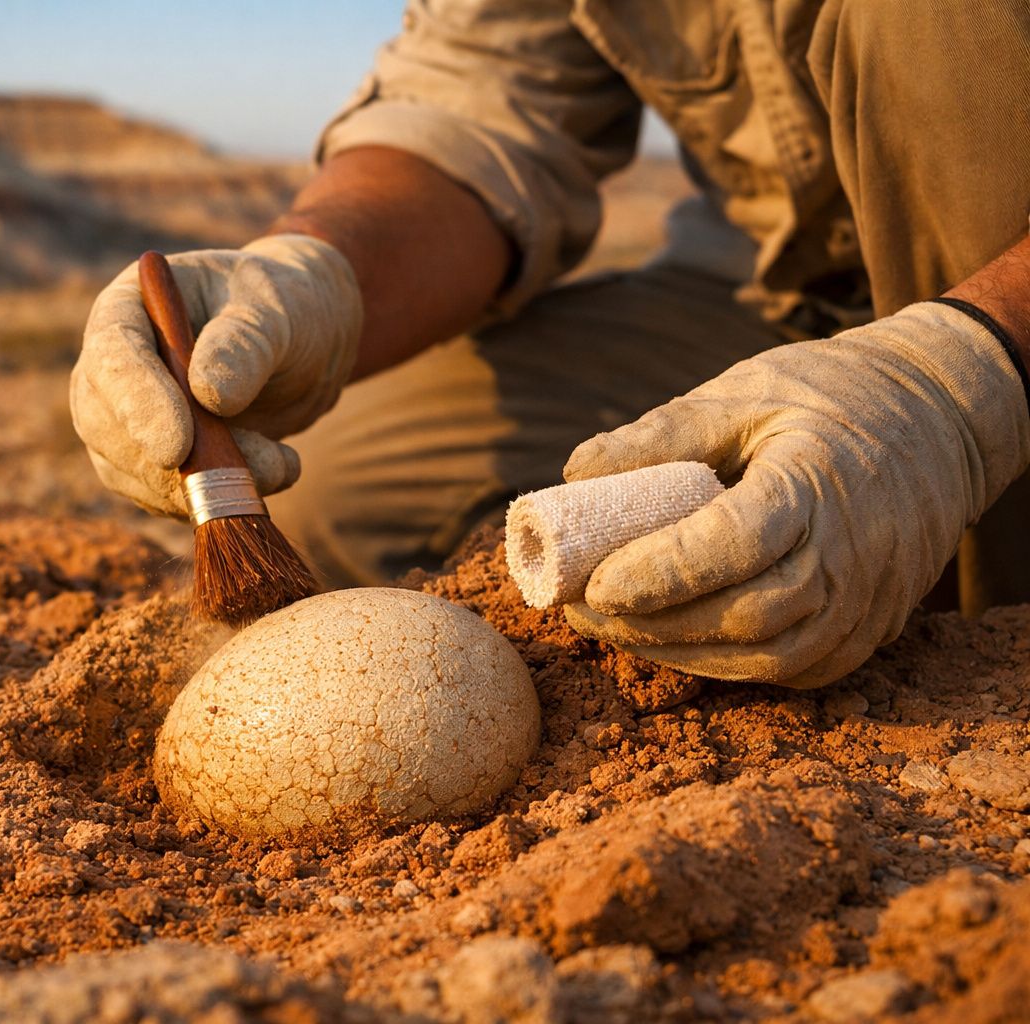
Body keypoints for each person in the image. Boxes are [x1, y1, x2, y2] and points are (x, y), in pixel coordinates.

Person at [70, 0, 1030, 689]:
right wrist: (313, 271)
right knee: (336, 494)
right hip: (770, 282)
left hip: (1003, 302)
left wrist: (954, 386)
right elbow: (478, 104)